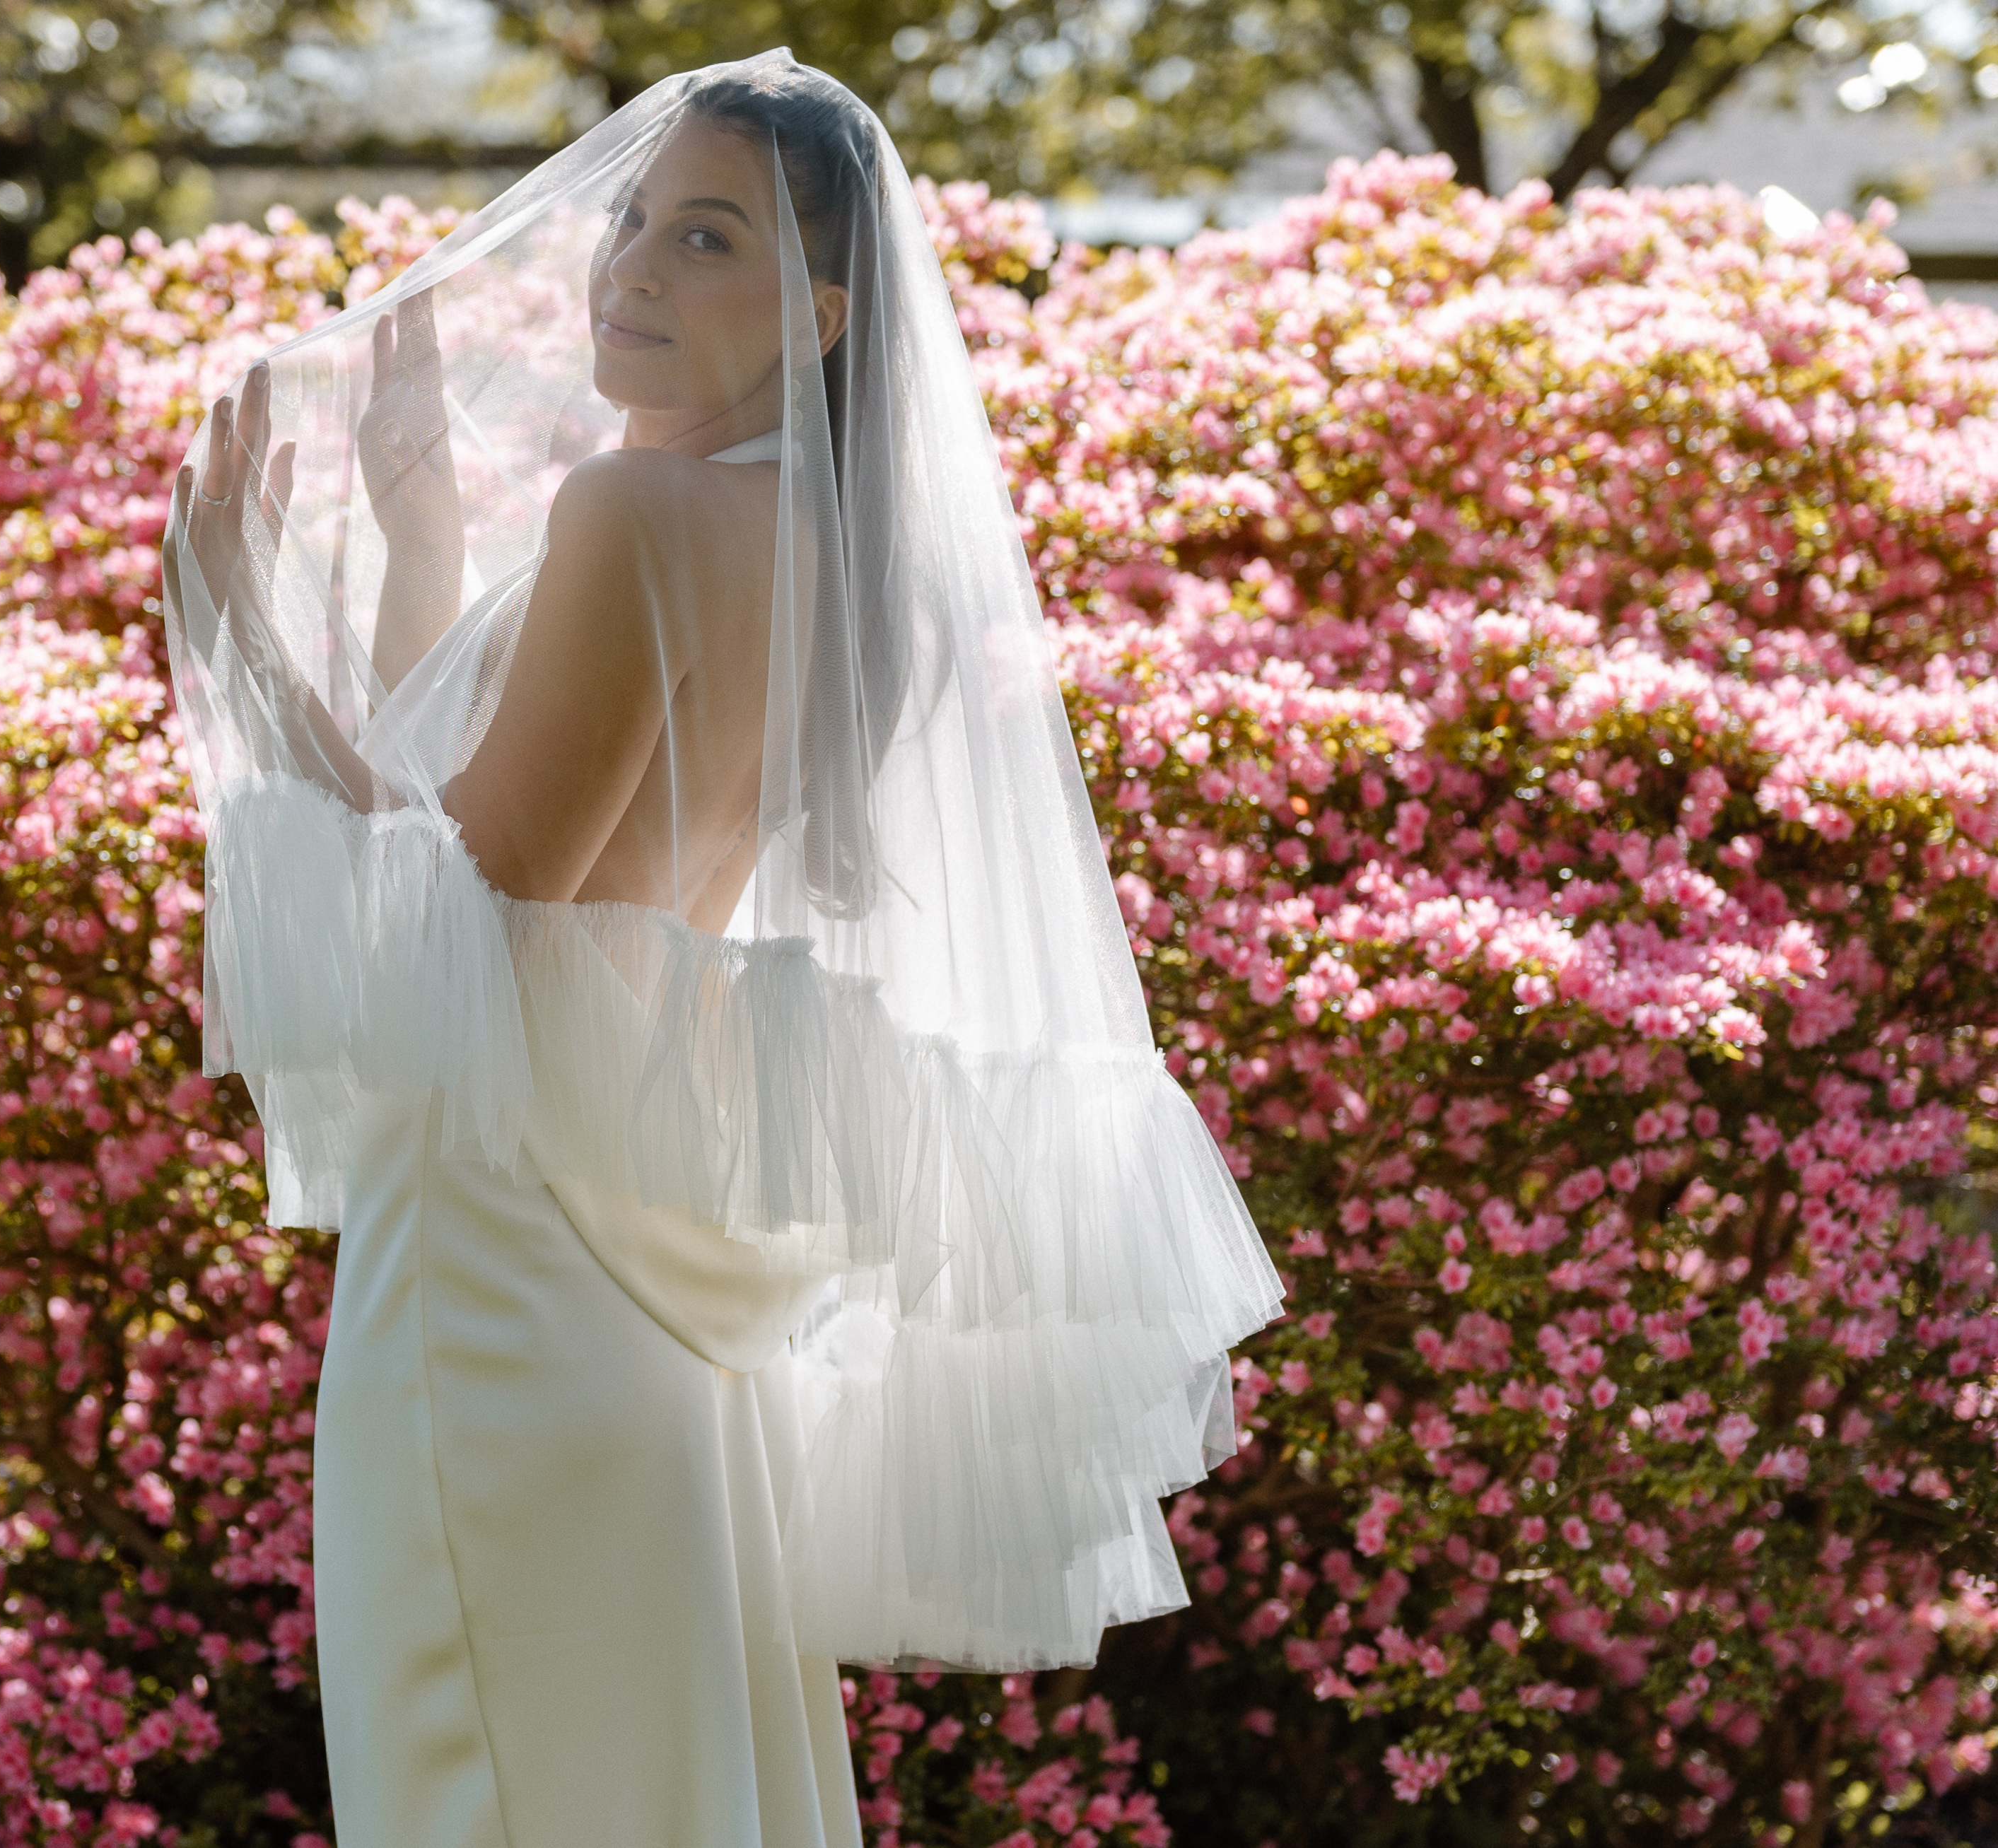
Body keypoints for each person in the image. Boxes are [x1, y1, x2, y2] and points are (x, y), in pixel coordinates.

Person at [160, 49, 1283, 1848]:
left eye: (704, 241)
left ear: (821, 315)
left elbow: (467, 896)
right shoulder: (824, 559)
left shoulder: (635, 512)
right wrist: (424, 539)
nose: (628, 269)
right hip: (647, 1300)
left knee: (482, 1789)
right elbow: (517, 834)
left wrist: (235, 612)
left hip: (504, 1264)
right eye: (632, 222)